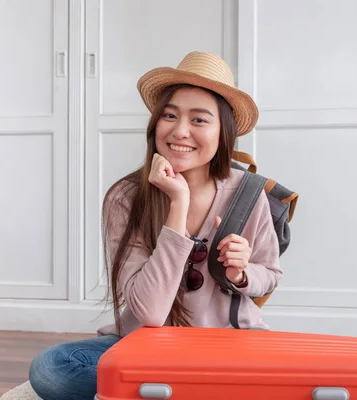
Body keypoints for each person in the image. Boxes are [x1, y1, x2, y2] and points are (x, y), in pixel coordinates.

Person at [27, 51, 282, 400]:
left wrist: (242, 273)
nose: (180, 131)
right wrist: (178, 205)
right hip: (148, 345)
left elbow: (269, 273)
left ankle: (168, 391)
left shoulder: (250, 193)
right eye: (170, 115)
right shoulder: (126, 197)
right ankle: (204, 391)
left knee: (293, 377)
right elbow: (148, 312)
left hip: (230, 341)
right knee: (52, 370)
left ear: (224, 132)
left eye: (199, 120)